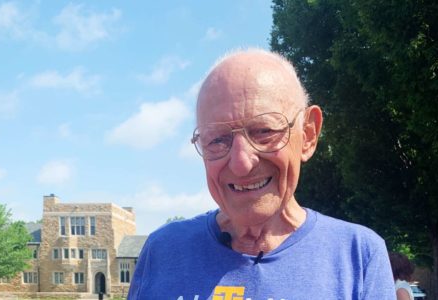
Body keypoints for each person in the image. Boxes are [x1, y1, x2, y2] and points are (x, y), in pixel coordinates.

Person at [128, 49, 396, 299]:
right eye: (217, 140)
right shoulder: (163, 251)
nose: (241, 163)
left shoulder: (358, 256)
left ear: (308, 135)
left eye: (264, 132)